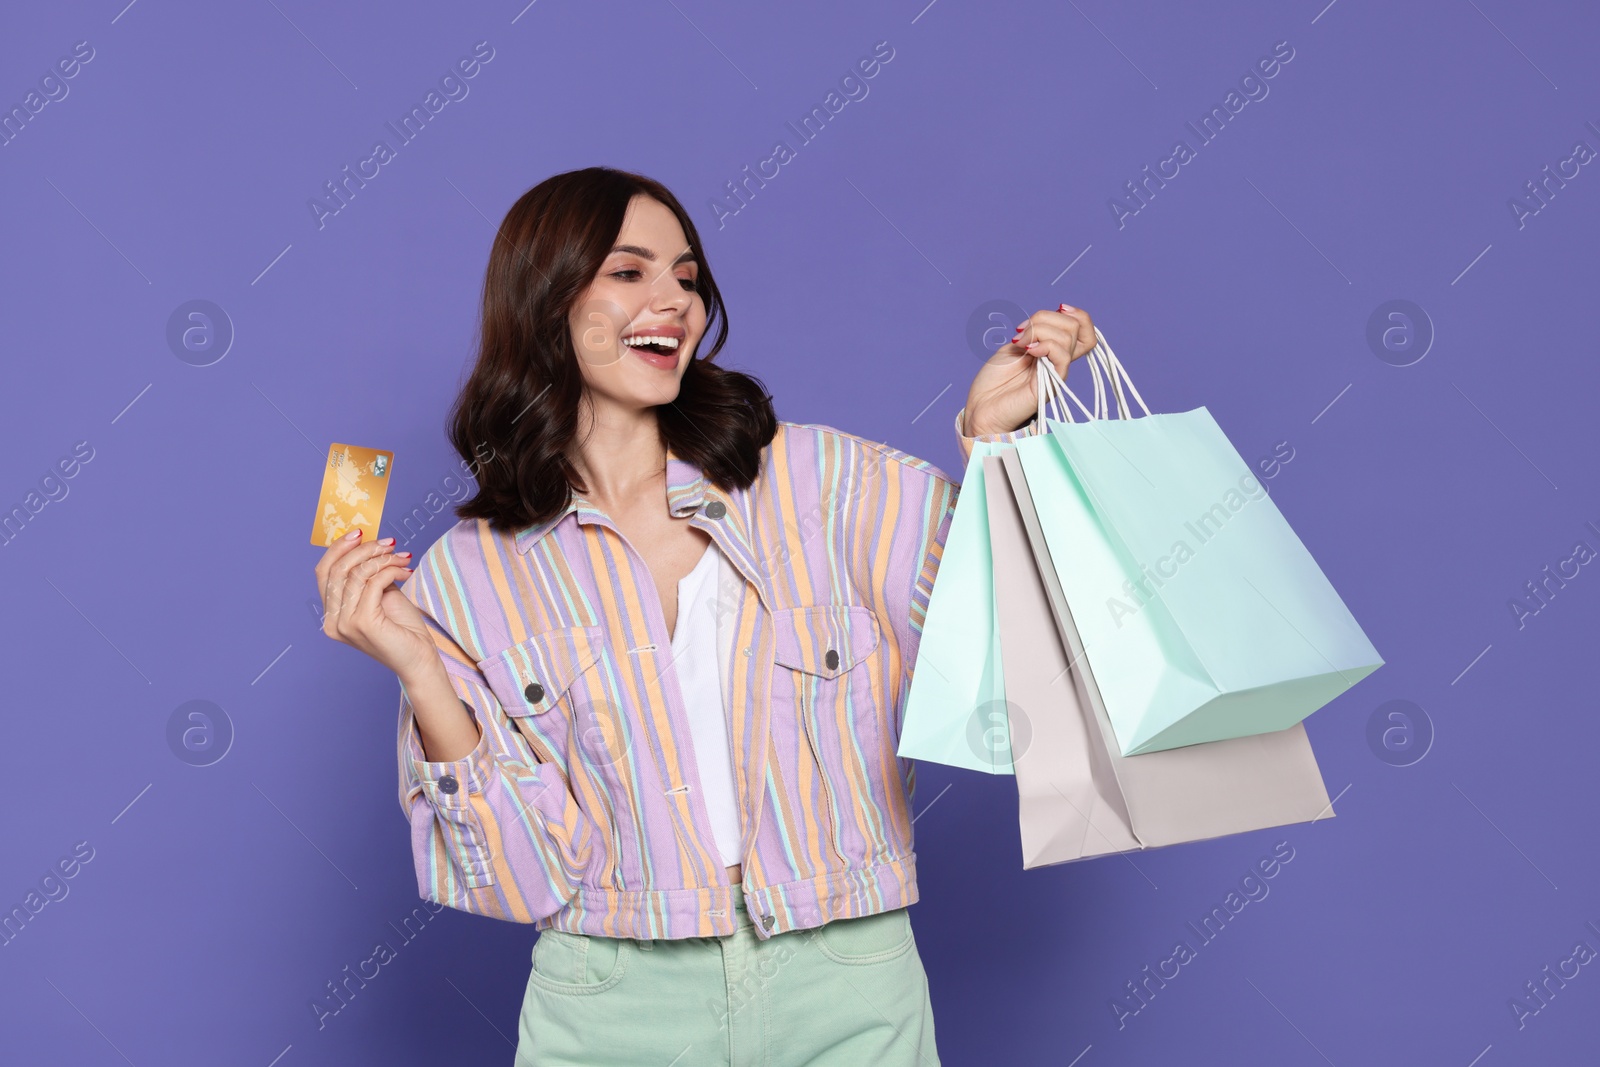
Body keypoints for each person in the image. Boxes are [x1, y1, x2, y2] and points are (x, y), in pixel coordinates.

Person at [313, 166, 1097, 1066]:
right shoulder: (473, 572)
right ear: (544, 300)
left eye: (686, 277)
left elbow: (1003, 663)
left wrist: (999, 440)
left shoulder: (825, 483)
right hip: (609, 1001)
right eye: (629, 271)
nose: (673, 302)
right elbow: (522, 875)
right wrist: (421, 672)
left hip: (844, 976)